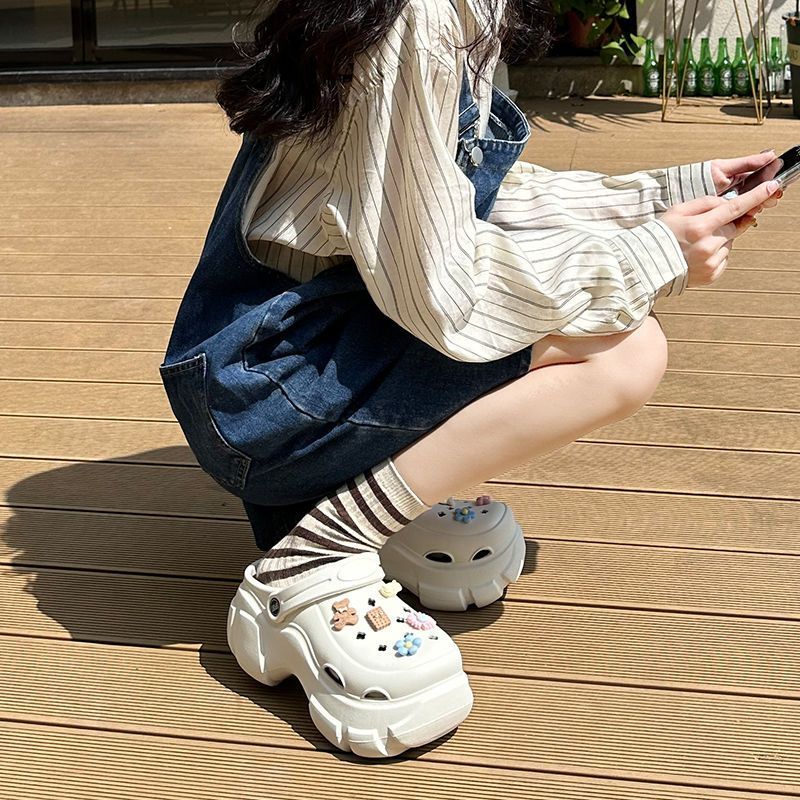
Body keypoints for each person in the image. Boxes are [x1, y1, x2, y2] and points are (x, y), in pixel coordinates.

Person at [158, 0, 783, 759]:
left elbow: (472, 199)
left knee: (610, 327)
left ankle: (351, 497)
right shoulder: (419, 21)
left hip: (287, 360)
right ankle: (316, 551)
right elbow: (444, 296)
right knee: (624, 351)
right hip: (268, 395)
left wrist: (661, 197)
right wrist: (653, 255)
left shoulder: (448, 11)